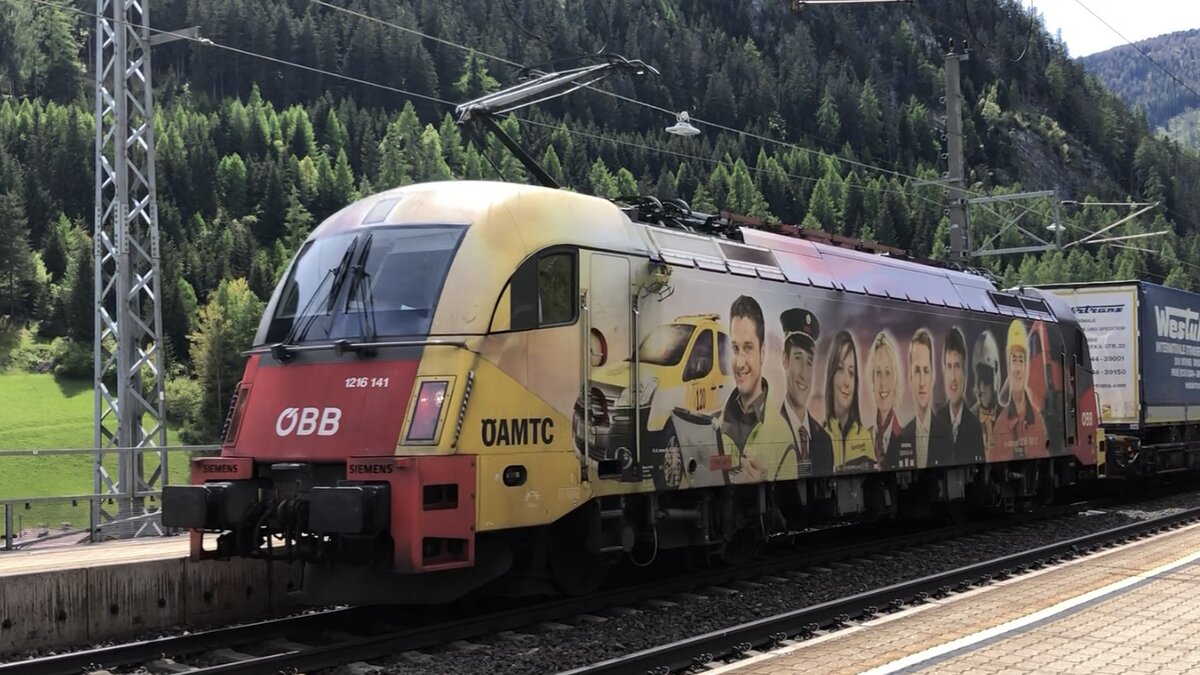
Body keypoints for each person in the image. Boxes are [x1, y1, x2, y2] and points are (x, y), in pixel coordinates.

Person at [717, 295, 790, 482]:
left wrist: (766, 484)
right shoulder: (716, 426)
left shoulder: (783, 436)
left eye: (748, 348)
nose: (740, 363)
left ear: (762, 353)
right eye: (735, 348)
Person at [777, 308, 834, 478]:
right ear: (784, 359)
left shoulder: (824, 440)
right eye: (797, 358)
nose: (804, 373)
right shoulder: (771, 431)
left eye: (809, 362)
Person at [993, 320, 1049, 461]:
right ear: (1008, 367)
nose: (1017, 369)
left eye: (1021, 360)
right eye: (1014, 360)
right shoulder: (1000, 425)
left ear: (1026, 367)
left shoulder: (1038, 420)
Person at [931, 327, 986, 465]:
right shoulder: (935, 423)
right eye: (949, 367)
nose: (953, 377)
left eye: (957, 366)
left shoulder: (975, 426)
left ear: (964, 372)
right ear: (944, 371)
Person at [823, 330, 875, 472]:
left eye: (851, 373)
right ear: (831, 376)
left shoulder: (865, 437)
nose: (847, 382)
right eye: (840, 369)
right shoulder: (820, 436)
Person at [870, 331, 912, 470]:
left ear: (896, 379)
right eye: (878, 372)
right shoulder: (865, 438)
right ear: (872, 379)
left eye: (888, 373)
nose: (882, 383)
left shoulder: (906, 436)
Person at [897, 328, 935, 468]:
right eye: (917, 371)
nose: (922, 382)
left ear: (932, 376)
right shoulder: (902, 437)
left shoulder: (948, 436)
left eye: (926, 371)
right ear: (910, 377)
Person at [971, 330, 1001, 459]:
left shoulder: (1005, 415)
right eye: (979, 380)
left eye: (987, 379)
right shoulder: (969, 418)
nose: (982, 387)